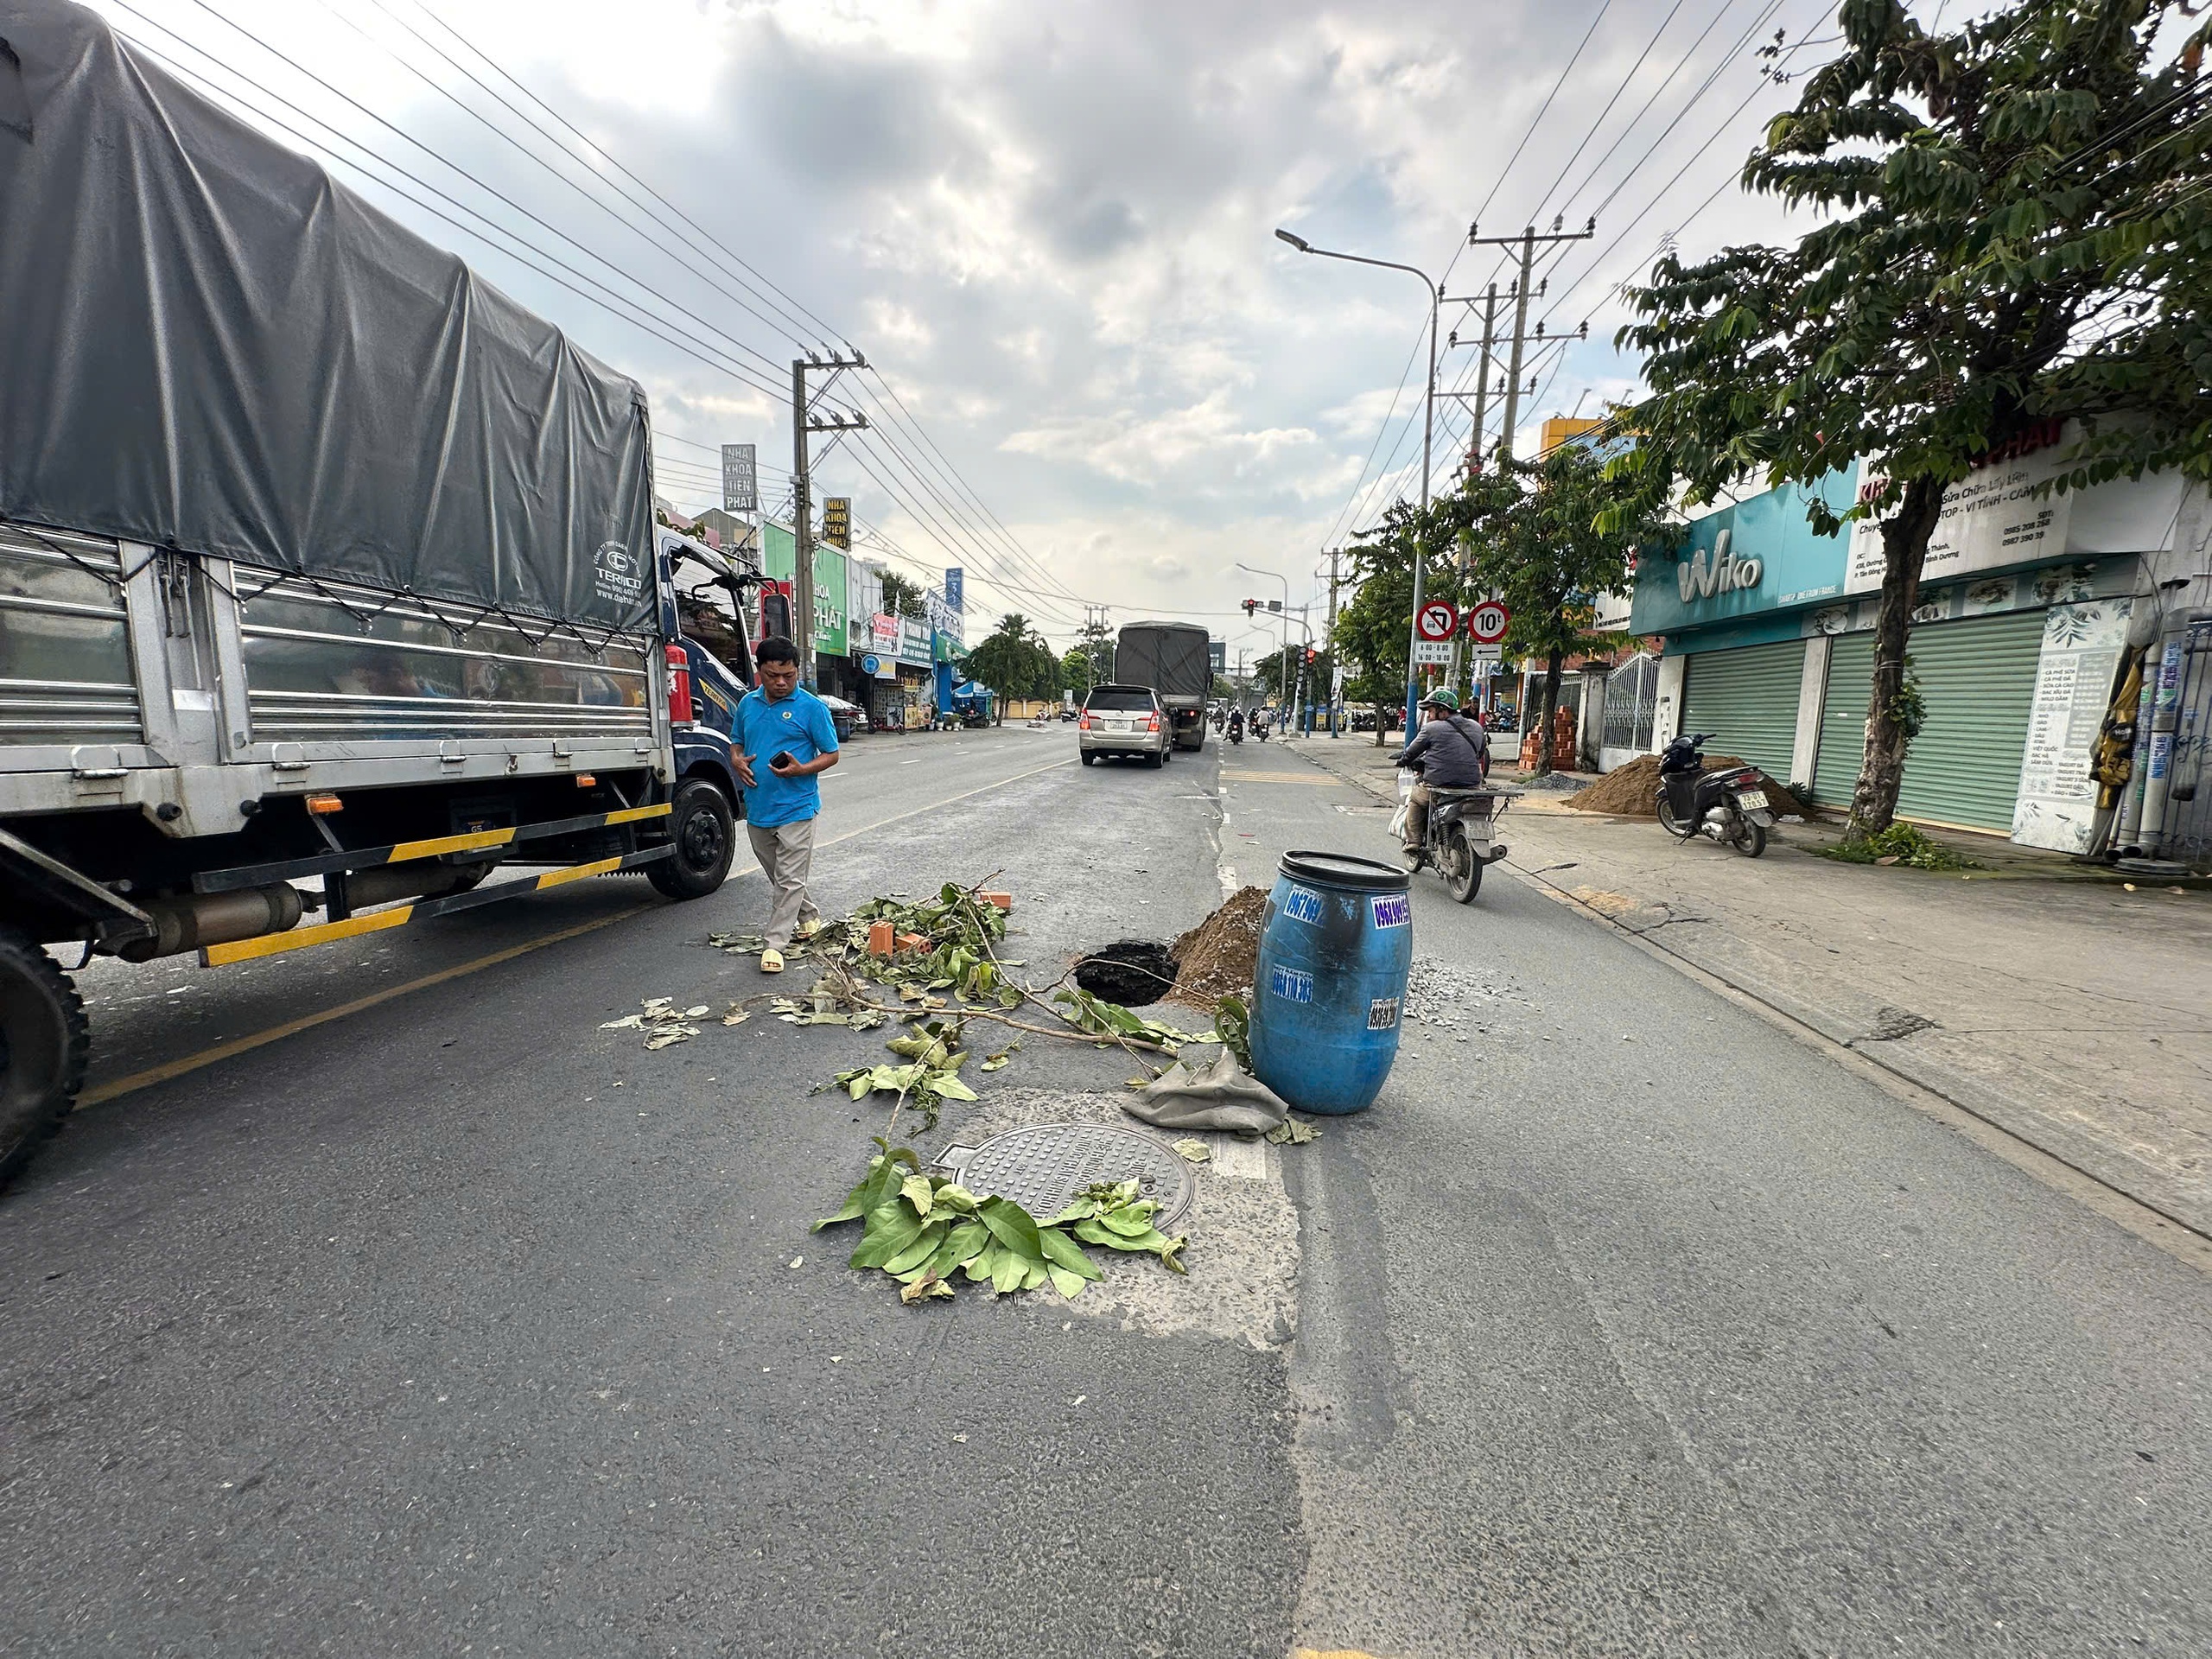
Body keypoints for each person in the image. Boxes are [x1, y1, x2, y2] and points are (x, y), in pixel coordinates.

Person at [734, 636, 841, 973]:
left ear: (797, 672)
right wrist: (736, 760)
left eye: (788, 675)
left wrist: (802, 769)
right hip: (759, 807)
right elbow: (737, 743)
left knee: (790, 877)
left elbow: (831, 754)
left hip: (797, 806)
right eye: (772, 675)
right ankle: (808, 915)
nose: (781, 683)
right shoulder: (747, 705)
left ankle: (775, 944)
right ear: (759, 672)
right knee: (780, 875)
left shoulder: (812, 708)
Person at [1394, 689, 1487, 861]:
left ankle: (1413, 841)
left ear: (1442, 711)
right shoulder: (1476, 727)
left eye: (1430, 711)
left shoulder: (1431, 729)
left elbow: (1411, 753)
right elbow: (1480, 753)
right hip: (1472, 786)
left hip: (1438, 786)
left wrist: (1402, 761)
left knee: (1415, 798)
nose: (1429, 716)